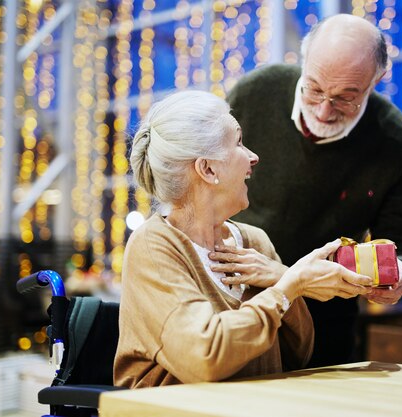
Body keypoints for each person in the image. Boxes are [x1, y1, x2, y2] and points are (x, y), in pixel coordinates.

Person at [114, 90, 372, 388]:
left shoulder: (254, 241)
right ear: (208, 169)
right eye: (238, 142)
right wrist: (289, 287)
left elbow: (296, 355)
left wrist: (284, 278)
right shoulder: (153, 246)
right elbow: (206, 357)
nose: (253, 156)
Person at [212, 14, 402, 367]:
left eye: (345, 98)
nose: (324, 110)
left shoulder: (394, 140)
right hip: (234, 301)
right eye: (315, 88)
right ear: (304, 61)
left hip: (325, 324)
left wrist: (400, 272)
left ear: (376, 80)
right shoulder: (256, 93)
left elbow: (399, 240)